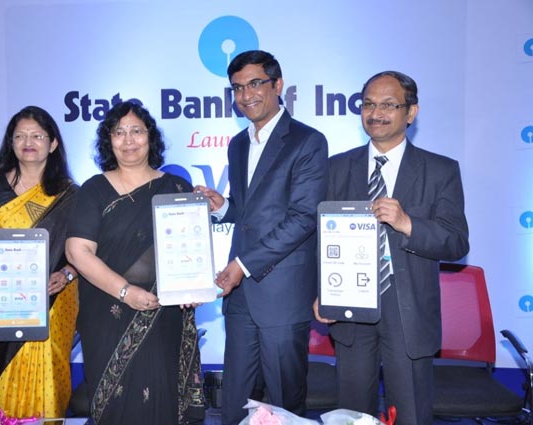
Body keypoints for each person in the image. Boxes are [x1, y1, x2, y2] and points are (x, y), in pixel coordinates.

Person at [313, 71, 469, 424]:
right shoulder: (336, 167)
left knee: (410, 414)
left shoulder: (440, 170)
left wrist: (407, 223)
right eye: (368, 104)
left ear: (410, 112)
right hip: (350, 310)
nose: (376, 113)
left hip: (408, 312)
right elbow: (318, 238)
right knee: (352, 416)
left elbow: (457, 241)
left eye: (388, 105)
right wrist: (322, 291)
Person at [195, 50, 328, 424]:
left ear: (277, 84)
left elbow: (303, 218)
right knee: (235, 401)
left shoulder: (307, 141)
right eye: (237, 88)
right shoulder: (238, 144)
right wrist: (223, 206)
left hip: (282, 295)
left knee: (285, 403)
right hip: (240, 298)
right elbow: (250, 212)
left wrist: (242, 265)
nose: (245, 95)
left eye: (255, 84)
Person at [65, 101, 205, 425]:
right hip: (108, 313)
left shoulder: (177, 188)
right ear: (109, 140)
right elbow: (77, 252)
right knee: (118, 405)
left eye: (137, 131)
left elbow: (191, 251)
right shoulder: (94, 190)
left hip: (164, 314)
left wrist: (193, 286)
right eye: (119, 132)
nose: (128, 140)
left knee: (162, 396)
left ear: (150, 137)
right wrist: (126, 292)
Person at [0, 106, 79, 418]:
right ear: (10, 143)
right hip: (1, 307)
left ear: (53, 144)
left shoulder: (70, 195)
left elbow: (84, 251)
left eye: (37, 136)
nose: (28, 142)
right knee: (2, 393)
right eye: (20, 136)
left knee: (48, 388)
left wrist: (67, 274)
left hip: (52, 307)